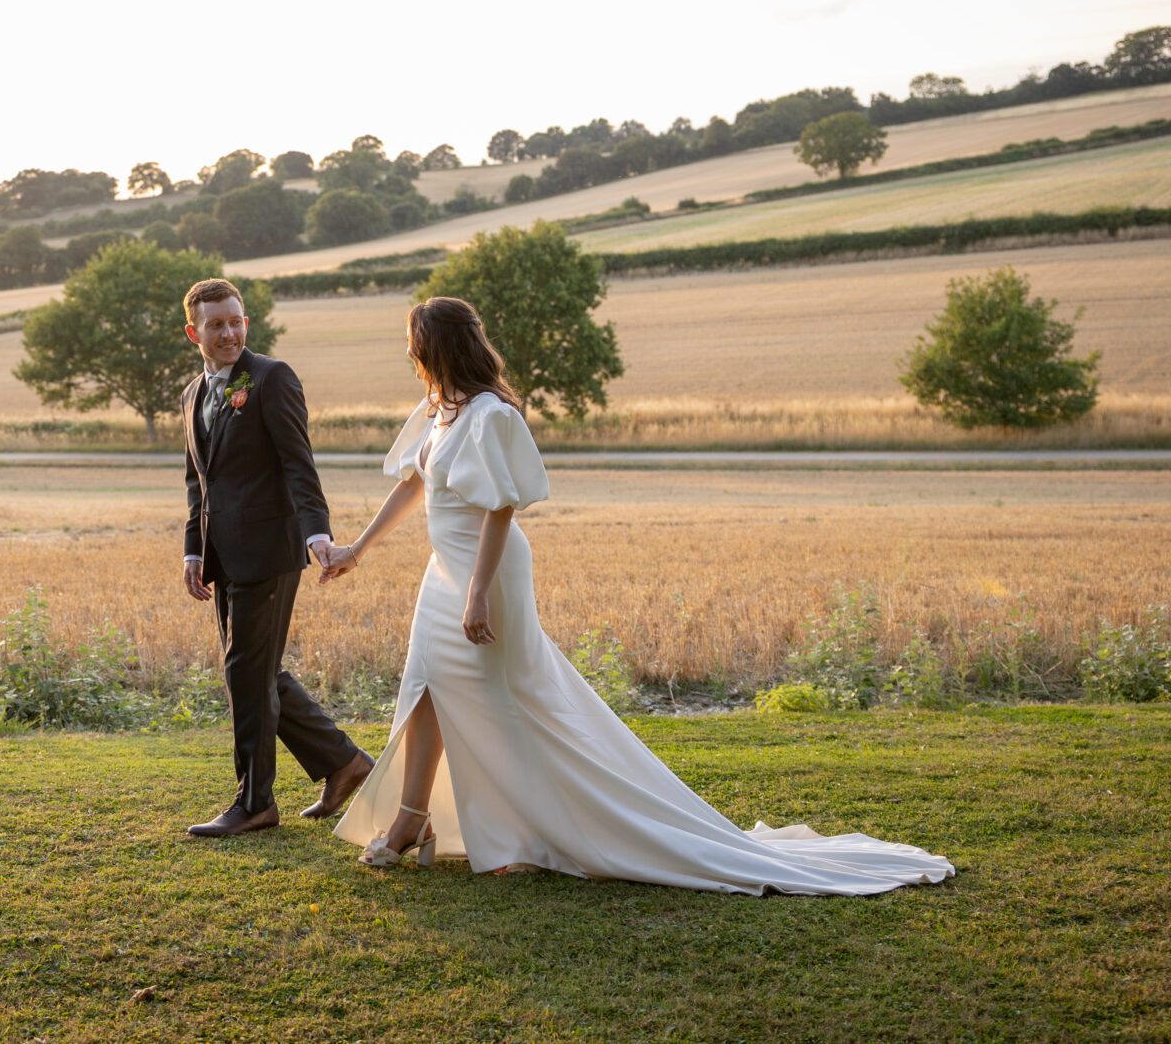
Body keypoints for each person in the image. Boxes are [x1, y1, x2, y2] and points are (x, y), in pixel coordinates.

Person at [318, 296, 954, 895]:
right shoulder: (436, 410)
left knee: (511, 699)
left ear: (438, 347)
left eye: (414, 344)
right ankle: (411, 819)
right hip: (442, 576)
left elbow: (500, 510)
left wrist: (479, 594)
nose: (409, 355)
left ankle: (536, 825)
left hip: (485, 575)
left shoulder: (491, 415)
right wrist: (356, 549)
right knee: (427, 689)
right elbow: (412, 487)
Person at [180, 277, 374, 837]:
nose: (229, 332)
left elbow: (298, 464)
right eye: (216, 324)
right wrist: (194, 548)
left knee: (246, 671)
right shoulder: (193, 393)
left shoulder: (271, 378)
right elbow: (198, 481)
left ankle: (255, 803)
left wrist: (319, 538)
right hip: (222, 554)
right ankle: (344, 763)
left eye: (236, 320)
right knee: (256, 670)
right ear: (194, 332)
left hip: (271, 549)